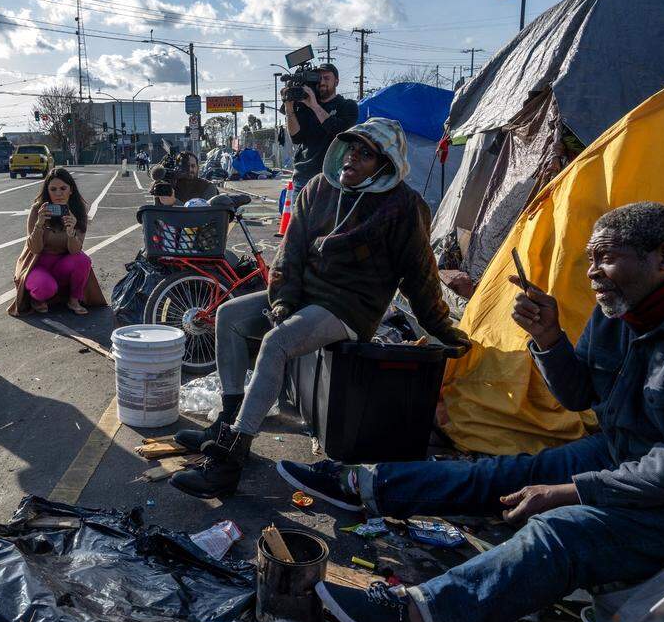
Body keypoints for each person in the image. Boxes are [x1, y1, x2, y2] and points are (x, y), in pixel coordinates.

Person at [278, 202, 664, 622]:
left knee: (562, 532)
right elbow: (581, 396)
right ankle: (363, 485)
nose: (593, 273)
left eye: (606, 258)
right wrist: (549, 339)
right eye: (589, 260)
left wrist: (575, 491)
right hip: (622, 452)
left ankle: (416, 617)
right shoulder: (622, 306)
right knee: (504, 474)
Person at [170, 118, 469, 499]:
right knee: (229, 315)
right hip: (307, 295)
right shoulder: (319, 188)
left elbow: (421, 277)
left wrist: (442, 329)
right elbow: (289, 254)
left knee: (276, 342)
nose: (351, 158)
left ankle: (230, 460)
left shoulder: (404, 206)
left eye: (365, 153)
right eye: (349, 150)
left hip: (349, 308)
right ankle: (227, 422)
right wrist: (282, 299)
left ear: (386, 162)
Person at [8, 168, 107, 316]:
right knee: (44, 287)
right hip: (36, 264)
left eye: (63, 188)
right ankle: (37, 298)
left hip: (61, 265)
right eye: (53, 189)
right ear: (47, 191)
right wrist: (39, 224)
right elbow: (34, 249)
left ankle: (73, 300)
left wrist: (71, 231)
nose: (58, 193)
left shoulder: (78, 211)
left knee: (83, 260)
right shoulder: (38, 209)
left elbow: (75, 251)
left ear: (71, 190)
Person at [285, 63, 358, 191]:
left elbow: (339, 132)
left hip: (333, 177)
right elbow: (296, 138)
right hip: (303, 177)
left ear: (336, 81)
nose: (322, 82)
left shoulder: (347, 105)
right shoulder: (305, 105)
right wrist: (289, 108)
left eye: (326, 78)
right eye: (318, 78)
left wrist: (314, 106)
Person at [148, 151, 217, 206]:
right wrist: (158, 193)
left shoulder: (207, 186)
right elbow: (157, 214)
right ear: (177, 168)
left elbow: (204, 214)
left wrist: (174, 202)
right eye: (185, 167)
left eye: (193, 166)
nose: (189, 170)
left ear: (198, 167)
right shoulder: (168, 185)